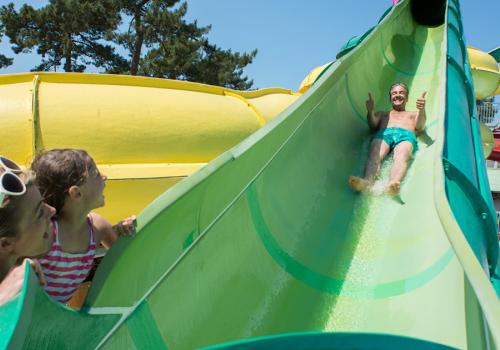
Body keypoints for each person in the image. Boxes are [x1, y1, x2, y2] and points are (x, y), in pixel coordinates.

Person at [31, 149, 136, 304]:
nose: (105, 178)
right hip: (20, 319)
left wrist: (126, 232)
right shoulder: (45, 234)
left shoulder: (98, 228)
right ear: (76, 193)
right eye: (97, 175)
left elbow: (126, 259)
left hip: (53, 321)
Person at [348, 83, 427, 195]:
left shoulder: (413, 114)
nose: (397, 95)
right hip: (384, 134)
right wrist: (370, 111)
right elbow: (373, 126)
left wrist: (422, 110)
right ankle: (367, 181)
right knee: (375, 152)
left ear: (407, 97)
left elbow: (420, 126)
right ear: (390, 98)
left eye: (401, 93)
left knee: (402, 154)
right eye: (394, 93)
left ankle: (393, 183)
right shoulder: (383, 114)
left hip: (405, 136)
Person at [0, 156, 56, 306]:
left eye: (44, 203)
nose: (52, 210)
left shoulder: (24, 268)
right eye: (39, 213)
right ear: (5, 244)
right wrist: (3, 296)